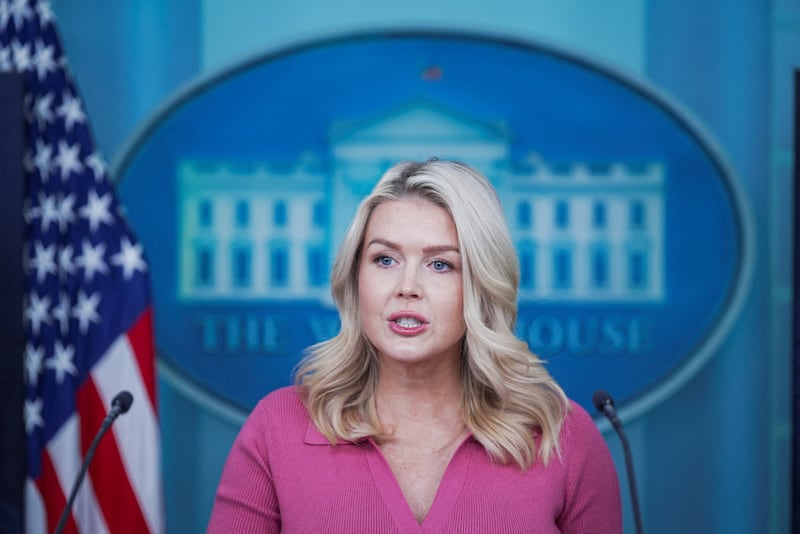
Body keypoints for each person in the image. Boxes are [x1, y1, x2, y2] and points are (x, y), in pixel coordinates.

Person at [207, 159, 622, 533]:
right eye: (385, 260)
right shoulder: (278, 427)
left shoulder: (561, 434)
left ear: (481, 284)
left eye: (440, 264)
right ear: (355, 278)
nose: (407, 288)